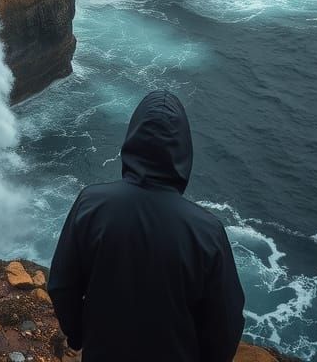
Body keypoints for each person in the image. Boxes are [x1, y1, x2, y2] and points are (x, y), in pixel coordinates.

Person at [48, 90, 246, 362]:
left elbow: (62, 285)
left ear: (132, 138)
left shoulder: (91, 204)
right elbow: (226, 322)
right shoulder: (207, 232)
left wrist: (79, 335)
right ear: (183, 149)